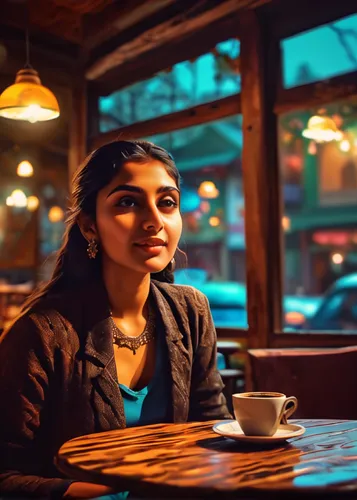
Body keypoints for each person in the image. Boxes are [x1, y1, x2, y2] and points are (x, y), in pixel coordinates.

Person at [0, 140, 231, 499]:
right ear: (90, 226)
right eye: (128, 202)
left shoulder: (190, 310)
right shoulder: (42, 333)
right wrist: (84, 491)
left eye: (167, 202)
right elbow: (6, 475)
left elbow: (213, 431)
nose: (154, 220)